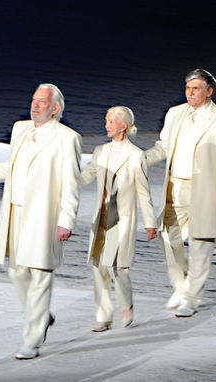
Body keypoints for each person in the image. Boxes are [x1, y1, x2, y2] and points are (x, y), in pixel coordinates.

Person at [0, 83, 81, 360]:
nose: (35, 105)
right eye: (34, 100)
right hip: (15, 212)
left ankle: (32, 339)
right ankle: (41, 316)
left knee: (40, 275)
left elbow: (71, 184)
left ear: (55, 109)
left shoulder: (67, 138)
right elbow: (10, 165)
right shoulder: (20, 129)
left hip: (44, 215)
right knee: (17, 272)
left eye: (42, 102)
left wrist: (66, 220)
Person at [145, 69, 216, 318]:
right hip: (174, 186)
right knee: (168, 237)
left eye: (196, 89)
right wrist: (141, 159)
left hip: (205, 190)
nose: (190, 93)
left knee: (201, 244)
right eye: (188, 88)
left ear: (209, 91)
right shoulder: (175, 114)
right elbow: (163, 146)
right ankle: (181, 285)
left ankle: (192, 298)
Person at [80, 106, 156, 332]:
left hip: (122, 219)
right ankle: (103, 316)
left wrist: (150, 223)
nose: (106, 125)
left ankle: (126, 306)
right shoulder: (101, 151)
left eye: (111, 121)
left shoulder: (136, 155)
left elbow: (143, 191)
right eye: (106, 121)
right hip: (101, 216)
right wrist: (68, 182)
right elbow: (87, 175)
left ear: (123, 125)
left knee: (117, 267)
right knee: (98, 267)